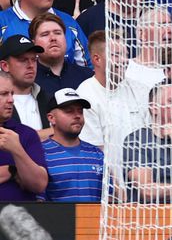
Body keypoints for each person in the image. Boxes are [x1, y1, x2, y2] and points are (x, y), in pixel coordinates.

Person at [41, 86, 104, 202]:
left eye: (80, 111)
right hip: (55, 220)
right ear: (51, 118)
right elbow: (38, 202)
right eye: (69, 111)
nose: (77, 115)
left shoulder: (97, 154)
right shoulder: (40, 153)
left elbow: (108, 199)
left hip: (93, 219)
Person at [0, 68, 46, 201]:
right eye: (3, 94)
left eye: (12, 94)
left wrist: (17, 150)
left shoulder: (25, 134)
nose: (11, 100)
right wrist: (12, 170)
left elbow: (39, 185)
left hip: (19, 217)